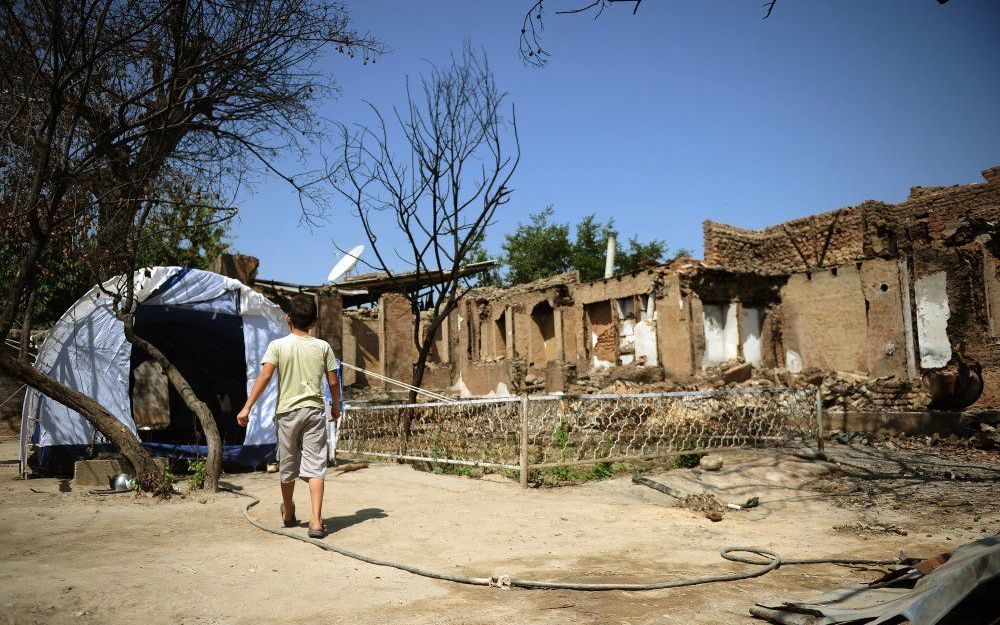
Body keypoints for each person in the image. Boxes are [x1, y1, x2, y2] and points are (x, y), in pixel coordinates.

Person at [237, 294, 341, 538]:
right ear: (314, 321)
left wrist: (247, 407)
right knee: (316, 466)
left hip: (286, 414)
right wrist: (336, 407)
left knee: (287, 463)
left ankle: (288, 512)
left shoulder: (278, 346)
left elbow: (264, 377)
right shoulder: (323, 347)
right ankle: (316, 521)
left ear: (288, 319)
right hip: (315, 411)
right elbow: (333, 382)